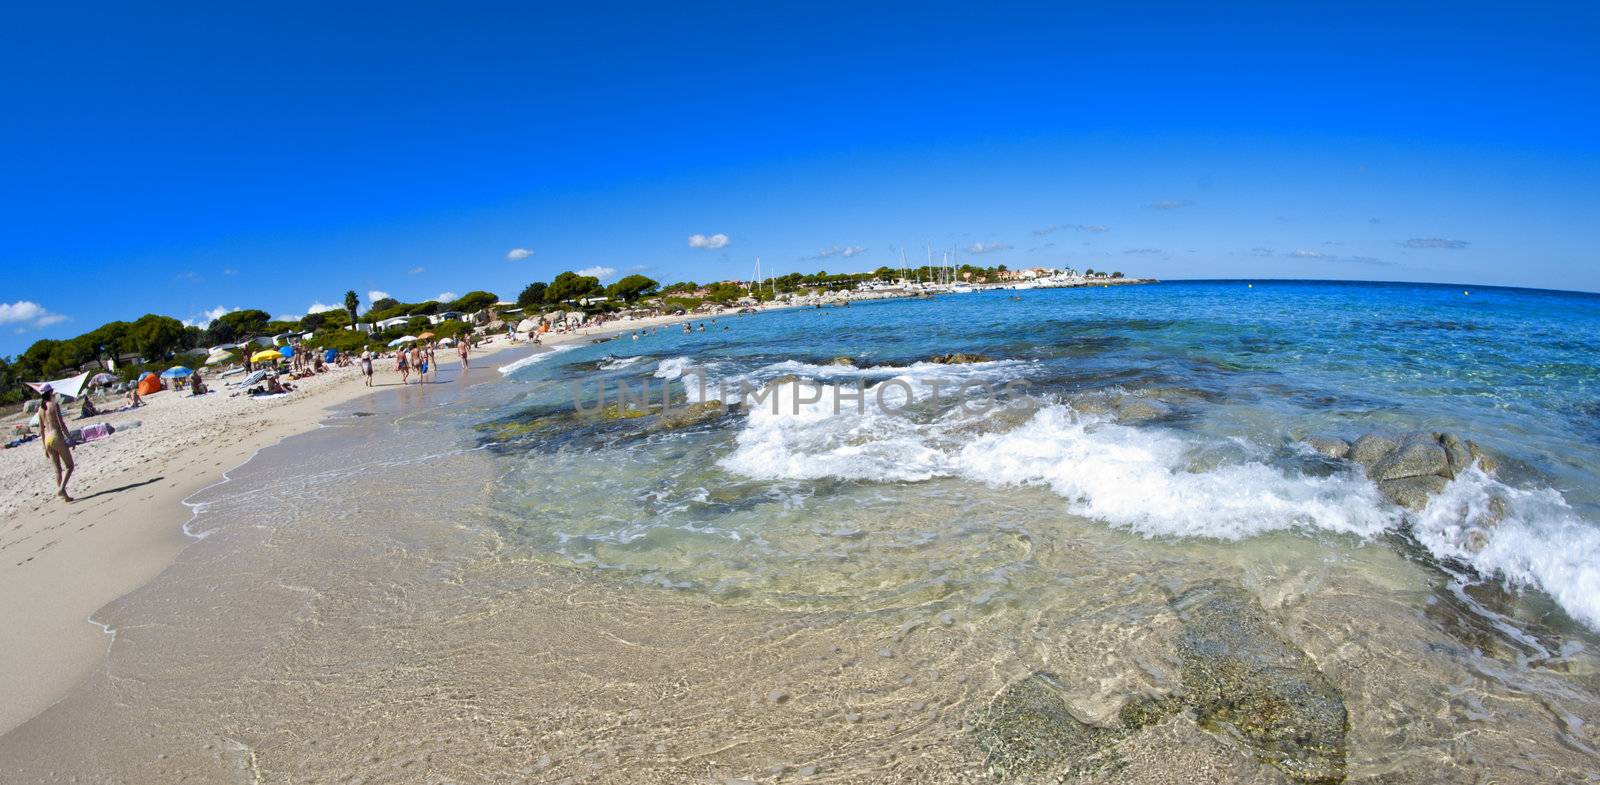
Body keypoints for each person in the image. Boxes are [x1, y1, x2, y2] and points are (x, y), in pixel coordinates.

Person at [36, 386, 75, 502]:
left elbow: (41, 430)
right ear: (50, 392)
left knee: (58, 470)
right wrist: (70, 438)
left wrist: (44, 448)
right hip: (56, 436)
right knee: (70, 466)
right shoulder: (53, 404)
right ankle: (62, 489)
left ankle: (65, 497)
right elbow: (61, 423)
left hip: (47, 439)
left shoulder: (40, 409)